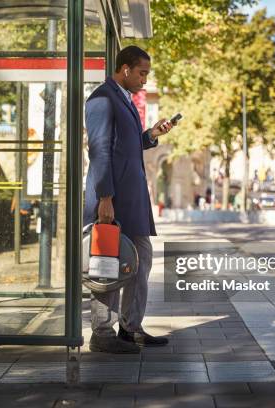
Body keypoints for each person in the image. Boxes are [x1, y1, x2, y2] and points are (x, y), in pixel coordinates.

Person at [84, 45, 174, 353]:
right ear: (125, 69)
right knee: (107, 263)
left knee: (141, 259)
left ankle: (130, 327)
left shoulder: (124, 100)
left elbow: (127, 146)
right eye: (142, 73)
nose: (145, 80)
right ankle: (102, 333)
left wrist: (151, 134)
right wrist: (104, 197)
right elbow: (99, 150)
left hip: (132, 202)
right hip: (112, 200)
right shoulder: (101, 99)